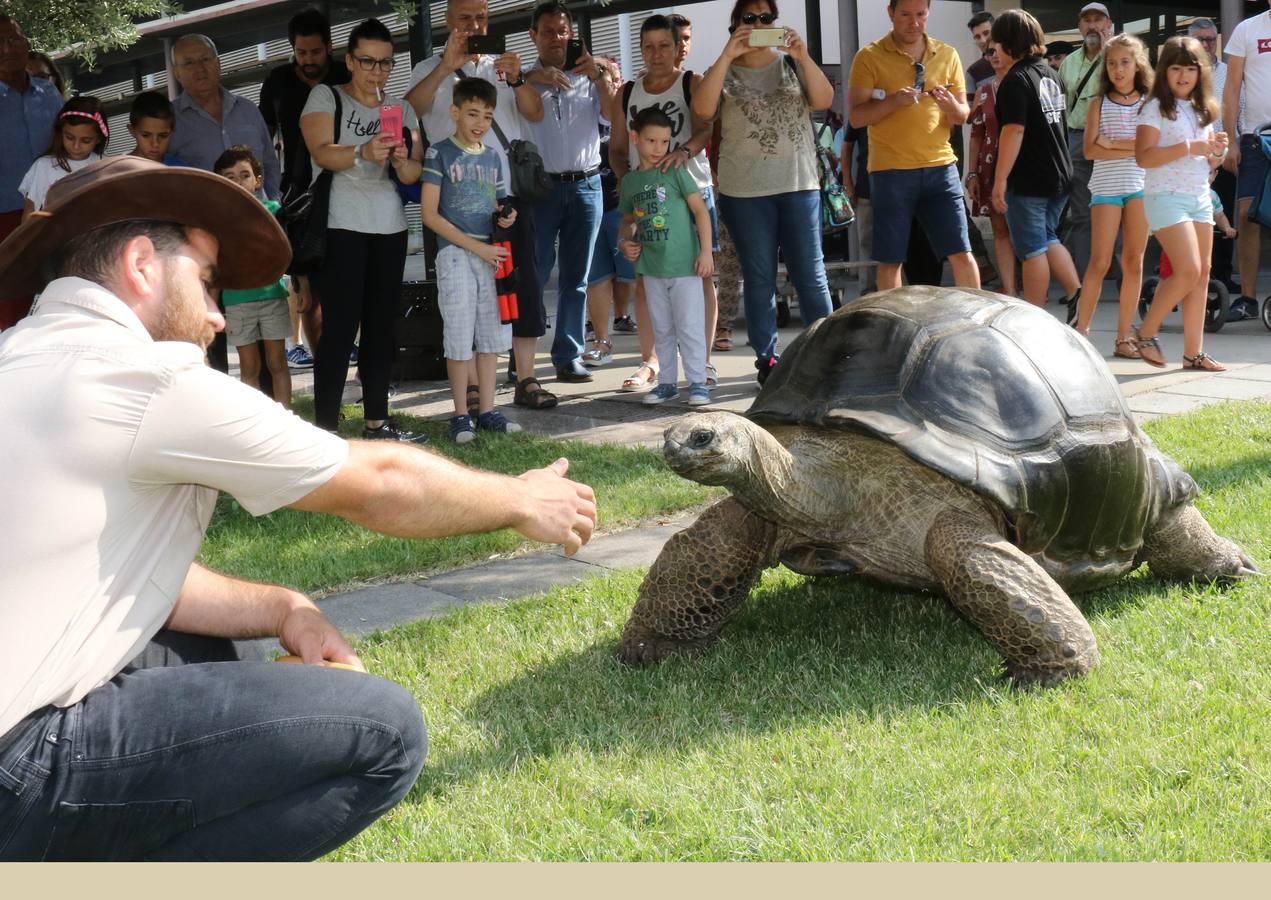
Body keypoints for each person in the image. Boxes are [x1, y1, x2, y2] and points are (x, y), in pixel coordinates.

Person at [0, 155, 598, 860]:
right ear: (141, 263)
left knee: (218, 650)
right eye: (208, 279)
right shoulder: (137, 377)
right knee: (383, 731)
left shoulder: (22, 357)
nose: (219, 316)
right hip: (19, 761)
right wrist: (520, 498)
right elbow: (377, 482)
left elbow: (110, 572)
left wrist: (285, 606)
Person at [405, 0, 555, 411]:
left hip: (506, 193)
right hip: (452, 199)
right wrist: (443, 67)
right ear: (447, 23)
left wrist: (519, 77)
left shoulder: (503, 65)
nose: (475, 26)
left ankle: (526, 377)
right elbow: (406, 111)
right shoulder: (427, 69)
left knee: (523, 284)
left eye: (482, 18)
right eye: (465, 18)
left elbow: (535, 113)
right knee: (462, 295)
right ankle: (471, 387)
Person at [697, 0, 836, 386]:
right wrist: (727, 56)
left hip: (799, 184)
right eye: (750, 18)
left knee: (811, 274)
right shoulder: (722, 70)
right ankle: (767, 360)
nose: (759, 24)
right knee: (759, 278)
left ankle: (823, 355)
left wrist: (803, 56)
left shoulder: (791, 63)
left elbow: (824, 100)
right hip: (745, 191)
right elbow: (704, 111)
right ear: (736, 24)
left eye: (766, 18)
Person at [301, 18, 424, 441]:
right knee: (338, 327)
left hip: (389, 226)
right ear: (350, 61)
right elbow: (320, 151)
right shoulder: (326, 97)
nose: (377, 72)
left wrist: (402, 161)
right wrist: (362, 152)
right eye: (368, 62)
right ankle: (326, 429)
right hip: (342, 225)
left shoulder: (399, 108)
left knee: (382, 326)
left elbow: (413, 173)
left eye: (386, 64)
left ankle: (377, 422)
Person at [612, 15, 718, 390]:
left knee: (700, 278)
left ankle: (701, 365)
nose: (657, 54)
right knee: (646, 280)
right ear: (641, 49)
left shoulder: (691, 82)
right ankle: (652, 362)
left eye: (664, 45)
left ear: (677, 47)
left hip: (691, 190)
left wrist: (684, 151)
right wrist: (632, 185)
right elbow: (617, 148)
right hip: (646, 199)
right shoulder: (627, 91)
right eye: (648, 46)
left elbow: (707, 127)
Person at [847, 0, 980, 297]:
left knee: (961, 251)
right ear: (891, 13)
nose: (914, 22)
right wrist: (893, 101)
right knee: (891, 258)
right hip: (891, 171)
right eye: (905, 14)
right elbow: (856, 116)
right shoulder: (869, 56)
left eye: (921, 14)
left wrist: (951, 106)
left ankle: (975, 322)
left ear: (928, 14)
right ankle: (891, 325)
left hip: (940, 167)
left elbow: (963, 114)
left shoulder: (947, 54)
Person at [420, 77, 524, 443]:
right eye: (472, 114)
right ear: (455, 112)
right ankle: (461, 413)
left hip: (491, 255)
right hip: (456, 255)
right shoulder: (439, 153)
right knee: (460, 335)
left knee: (492, 336)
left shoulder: (494, 156)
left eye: (487, 115)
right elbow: (430, 216)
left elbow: (497, 203)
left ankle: (489, 409)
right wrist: (476, 247)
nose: (479, 122)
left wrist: (505, 216)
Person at [522, 1, 620, 385]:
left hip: (587, 184)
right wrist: (533, 78)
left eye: (562, 30)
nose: (557, 38)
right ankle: (523, 355)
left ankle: (568, 355)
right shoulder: (524, 77)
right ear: (533, 35)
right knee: (537, 271)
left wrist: (600, 76)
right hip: (542, 187)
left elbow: (613, 116)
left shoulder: (591, 73)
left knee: (577, 277)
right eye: (548, 31)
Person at [1130, 35, 1229, 372]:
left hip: (1199, 196)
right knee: (1188, 271)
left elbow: (1210, 162)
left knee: (1201, 276)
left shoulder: (1203, 109)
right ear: (1164, 71)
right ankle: (1144, 333)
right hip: (1165, 197)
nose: (1183, 76)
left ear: (1200, 72)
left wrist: (1217, 151)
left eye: (1190, 69)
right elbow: (1143, 156)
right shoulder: (1154, 107)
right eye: (1176, 69)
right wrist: (1189, 147)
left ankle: (1193, 354)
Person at [259, 7, 350, 367]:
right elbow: (265, 138)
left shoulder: (347, 74)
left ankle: (346, 356)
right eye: (301, 53)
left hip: (346, 186)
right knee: (307, 292)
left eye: (315, 51)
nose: (308, 60)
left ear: (329, 46)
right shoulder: (278, 81)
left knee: (346, 285)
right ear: (292, 49)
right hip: (298, 196)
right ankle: (323, 362)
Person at [619, 107, 714, 407]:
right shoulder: (631, 182)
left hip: (685, 266)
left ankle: (698, 382)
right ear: (635, 138)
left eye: (664, 142)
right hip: (651, 268)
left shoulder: (676, 172)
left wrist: (706, 251)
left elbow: (701, 211)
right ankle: (668, 384)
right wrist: (624, 242)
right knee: (662, 329)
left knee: (689, 326)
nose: (658, 149)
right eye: (651, 141)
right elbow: (627, 221)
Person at [990, 9, 1081, 313]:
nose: (994, 49)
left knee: (1032, 250)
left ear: (1009, 43)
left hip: (1029, 179)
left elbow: (1014, 130)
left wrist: (1000, 180)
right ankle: (1077, 295)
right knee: (1047, 237)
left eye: (997, 42)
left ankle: (1034, 315)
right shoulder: (1050, 74)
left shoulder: (1015, 81)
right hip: (1059, 175)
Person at [1072, 33, 1151, 352]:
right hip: (1105, 190)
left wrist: (1111, 143)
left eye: (1125, 62)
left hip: (1140, 188)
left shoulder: (1150, 104)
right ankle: (1081, 334)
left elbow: (1149, 151)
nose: (1118, 69)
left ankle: (1123, 338)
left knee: (1134, 262)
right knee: (1100, 262)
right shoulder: (1098, 103)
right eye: (1112, 63)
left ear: (1137, 64)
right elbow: (1090, 152)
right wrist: (1130, 148)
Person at [214, 145, 293, 408]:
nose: (238, 182)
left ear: (258, 181)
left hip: (273, 298)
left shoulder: (273, 212)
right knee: (249, 367)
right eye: (229, 177)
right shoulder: (218, 220)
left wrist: (302, 285)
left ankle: (285, 420)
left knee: (277, 362)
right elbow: (215, 266)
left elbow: (288, 255)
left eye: (244, 175)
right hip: (237, 303)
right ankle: (258, 418)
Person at [0, 14, 63, 329]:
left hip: (53, 214)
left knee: (59, 302)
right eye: (0, 42)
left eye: (14, 39)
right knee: (11, 315)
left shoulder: (48, 93)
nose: (8, 48)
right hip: (4, 220)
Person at [168, 34, 281, 200]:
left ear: (218, 64)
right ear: (176, 73)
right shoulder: (170, 120)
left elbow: (270, 164)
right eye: (189, 63)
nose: (199, 68)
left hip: (257, 219)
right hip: (205, 222)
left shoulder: (248, 109)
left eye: (205, 59)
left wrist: (273, 206)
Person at [1057, 3, 1113, 282]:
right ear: (1079, 27)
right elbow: (1062, 108)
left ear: (1109, 25)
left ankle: (1128, 278)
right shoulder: (1069, 62)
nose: (1092, 26)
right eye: (1087, 20)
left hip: (1114, 144)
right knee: (1082, 213)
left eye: (1098, 20)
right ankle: (1086, 281)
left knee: (1120, 209)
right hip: (1077, 140)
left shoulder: (1120, 56)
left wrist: (1107, 53)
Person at [1220, 8, 1269, 321]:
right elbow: (1232, 88)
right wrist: (1231, 140)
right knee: (1245, 214)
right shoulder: (1247, 29)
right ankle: (1248, 299)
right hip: (1255, 137)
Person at [966, 43, 1018, 297]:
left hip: (1022, 166)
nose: (995, 55)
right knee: (1000, 231)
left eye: (999, 49)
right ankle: (1010, 291)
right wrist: (972, 172)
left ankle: (1033, 288)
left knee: (1025, 231)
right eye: (989, 52)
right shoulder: (983, 91)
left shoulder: (1023, 83)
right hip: (988, 165)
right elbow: (976, 134)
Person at [584, 128, 636, 370]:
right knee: (596, 278)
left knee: (639, 278)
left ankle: (659, 346)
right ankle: (601, 342)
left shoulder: (625, 99)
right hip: (590, 202)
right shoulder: (585, 103)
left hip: (626, 205)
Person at [19, 95, 108, 218]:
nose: (76, 146)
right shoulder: (43, 166)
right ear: (61, 132)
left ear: (98, 139)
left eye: (86, 140)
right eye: (69, 137)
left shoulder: (106, 165)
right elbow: (30, 211)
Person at [127, 91, 181, 164]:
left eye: (163, 136)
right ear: (132, 130)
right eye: (145, 135)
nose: (155, 144)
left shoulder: (181, 170)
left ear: (173, 131)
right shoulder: (118, 170)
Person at [965, 11, 995, 96]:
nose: (983, 40)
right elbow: (970, 108)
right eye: (977, 37)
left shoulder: (1013, 61)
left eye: (986, 33)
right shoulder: (973, 72)